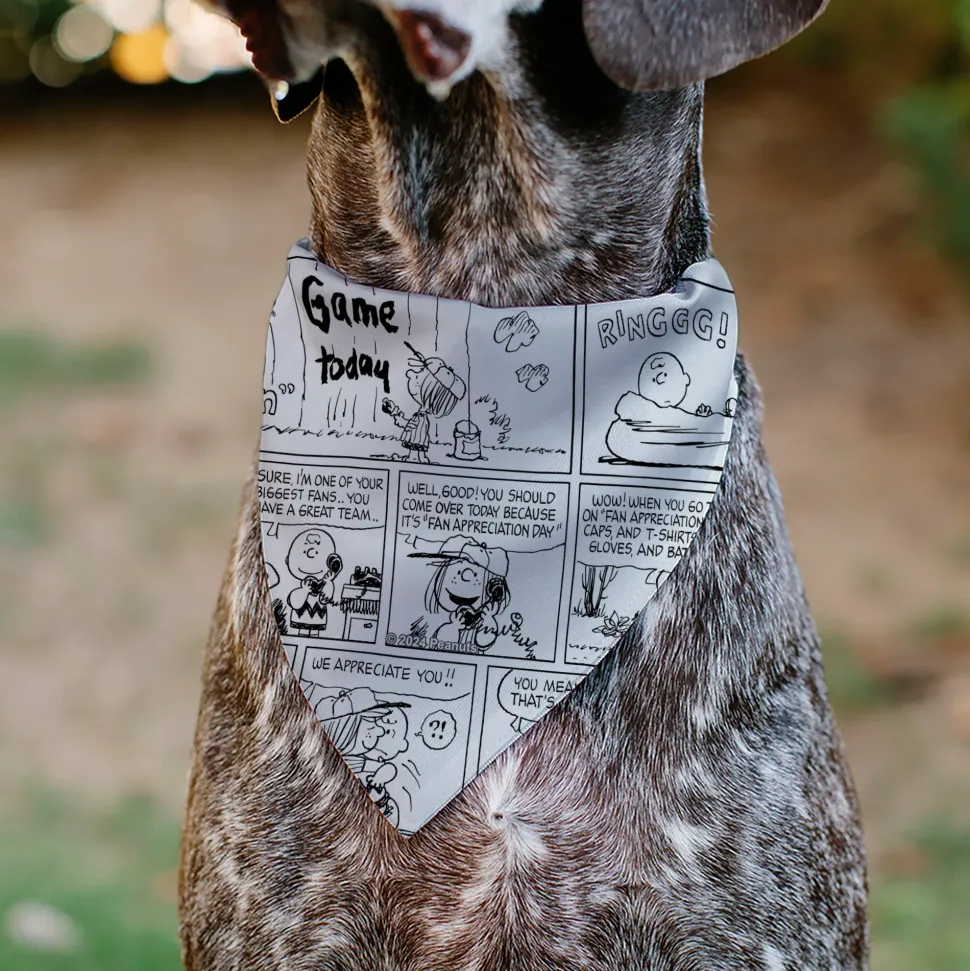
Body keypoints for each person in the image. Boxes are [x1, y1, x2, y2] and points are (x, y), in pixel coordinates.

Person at [409, 535, 511, 653]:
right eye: (458, 566)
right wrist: (454, 627)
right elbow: (441, 645)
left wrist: (488, 620)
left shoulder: (481, 621)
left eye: (477, 573)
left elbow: (485, 641)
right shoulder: (427, 620)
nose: (466, 577)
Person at [381, 342, 466, 463]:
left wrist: (394, 413)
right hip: (419, 438)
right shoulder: (422, 416)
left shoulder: (420, 417)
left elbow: (407, 425)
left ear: (429, 390)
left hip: (416, 439)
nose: (409, 374)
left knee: (415, 448)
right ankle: (421, 457)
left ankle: (414, 458)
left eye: (417, 376)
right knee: (418, 447)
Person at [285, 528, 342, 637]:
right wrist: (304, 591)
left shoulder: (323, 584)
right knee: (302, 636)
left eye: (317, 552)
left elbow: (326, 599)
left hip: (318, 619)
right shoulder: (302, 587)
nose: (311, 554)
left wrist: (328, 582)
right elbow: (295, 603)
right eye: (305, 552)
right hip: (300, 619)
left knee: (315, 636)